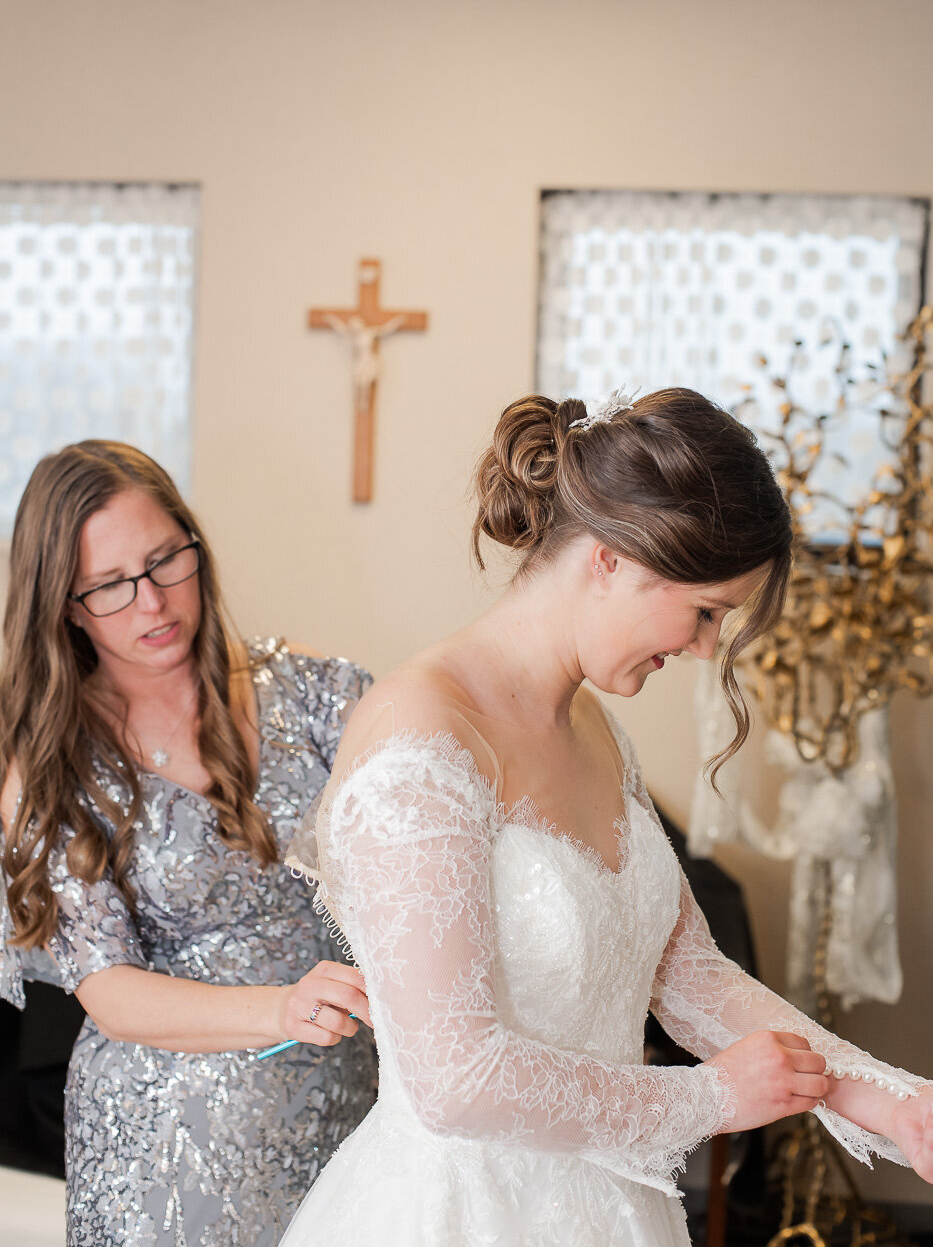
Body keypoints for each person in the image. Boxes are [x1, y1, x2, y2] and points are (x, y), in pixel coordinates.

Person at [281, 389, 933, 1247]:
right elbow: (454, 1079)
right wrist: (708, 1098)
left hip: (613, 1209)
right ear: (611, 559)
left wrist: (897, 1101)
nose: (705, 647)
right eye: (705, 611)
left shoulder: (592, 726)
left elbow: (687, 974)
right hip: (462, 1216)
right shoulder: (421, 739)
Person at [0, 441, 378, 1246]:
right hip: (165, 1146)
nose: (152, 604)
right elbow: (109, 991)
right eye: (109, 585)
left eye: (165, 560)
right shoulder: (53, 765)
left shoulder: (313, 693)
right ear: (65, 605)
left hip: (347, 1109)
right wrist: (283, 1007)